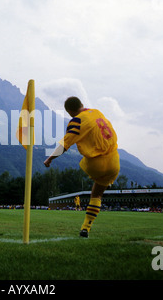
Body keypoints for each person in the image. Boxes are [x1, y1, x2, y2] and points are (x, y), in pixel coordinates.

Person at [44, 97, 120, 238]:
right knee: (97, 194)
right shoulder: (97, 112)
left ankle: (86, 227)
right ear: (82, 104)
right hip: (114, 160)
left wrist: (50, 159)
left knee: (87, 166)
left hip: (96, 163)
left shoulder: (76, 120)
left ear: (70, 111)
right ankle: (86, 227)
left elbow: (64, 145)